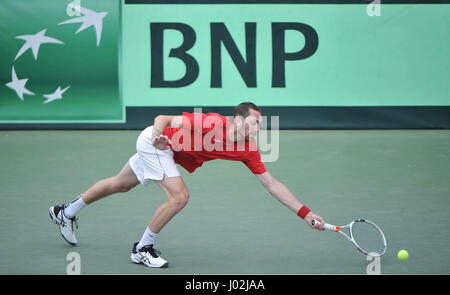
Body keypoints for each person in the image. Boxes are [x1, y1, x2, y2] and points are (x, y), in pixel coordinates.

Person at [49, 102, 325, 268]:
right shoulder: (212, 122)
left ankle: (66, 211)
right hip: (156, 142)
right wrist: (158, 137)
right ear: (239, 120)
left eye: (260, 123)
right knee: (179, 198)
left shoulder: (247, 150)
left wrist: (305, 213)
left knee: (120, 184)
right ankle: (142, 249)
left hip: (165, 152)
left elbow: (272, 184)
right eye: (255, 122)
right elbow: (163, 119)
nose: (259, 128)